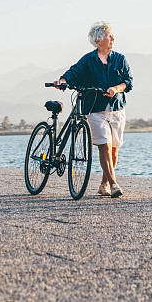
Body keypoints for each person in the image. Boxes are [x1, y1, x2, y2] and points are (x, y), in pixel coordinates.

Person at [54, 22, 133, 198]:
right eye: (108, 35)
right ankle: (113, 184)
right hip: (95, 110)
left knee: (114, 149)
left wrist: (116, 88)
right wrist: (62, 80)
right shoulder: (88, 60)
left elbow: (128, 82)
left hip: (117, 108)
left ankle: (104, 183)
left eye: (112, 35)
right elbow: (73, 72)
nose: (112, 38)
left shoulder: (120, 59)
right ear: (98, 40)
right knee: (104, 146)